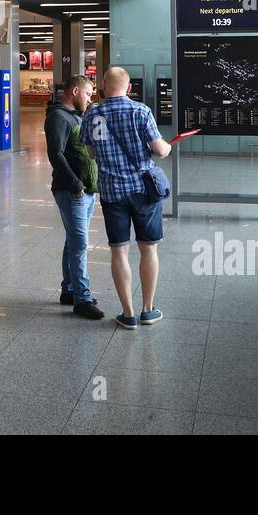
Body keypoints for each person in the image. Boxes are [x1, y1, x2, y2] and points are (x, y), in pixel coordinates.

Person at [79, 66, 172, 330]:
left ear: (103, 85)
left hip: (111, 192)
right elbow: (159, 150)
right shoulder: (140, 111)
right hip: (143, 191)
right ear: (129, 87)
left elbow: (91, 153)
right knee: (148, 248)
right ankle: (147, 309)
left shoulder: (93, 113)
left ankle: (128, 313)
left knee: (119, 250)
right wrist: (166, 145)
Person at [45, 74, 103, 320]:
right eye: (88, 93)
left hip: (84, 191)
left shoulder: (75, 116)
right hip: (72, 191)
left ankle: (69, 290)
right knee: (80, 244)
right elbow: (55, 154)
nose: (90, 99)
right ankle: (82, 299)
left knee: (73, 241)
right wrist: (75, 183)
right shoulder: (58, 116)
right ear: (75, 91)